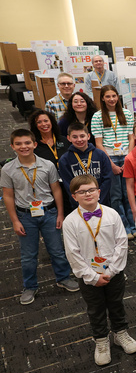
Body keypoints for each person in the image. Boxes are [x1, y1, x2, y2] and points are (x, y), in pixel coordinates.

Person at [62, 174, 136, 365]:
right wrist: (92, 276)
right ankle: (101, 340)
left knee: (116, 304)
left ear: (99, 192)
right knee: (95, 309)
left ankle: (120, 334)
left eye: (91, 190)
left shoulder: (112, 214)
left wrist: (111, 271)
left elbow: (122, 244)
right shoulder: (70, 222)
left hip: (114, 272)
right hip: (88, 277)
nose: (88, 194)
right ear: (74, 196)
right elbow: (73, 254)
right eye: (82, 192)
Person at [1, 129, 78, 304]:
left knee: (57, 250)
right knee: (28, 255)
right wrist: (14, 220)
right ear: (12, 146)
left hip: (49, 213)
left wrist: (60, 213)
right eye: (18, 144)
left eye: (27, 143)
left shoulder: (48, 165)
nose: (23, 146)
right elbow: (8, 196)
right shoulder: (8, 169)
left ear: (35, 144)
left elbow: (56, 190)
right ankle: (30, 286)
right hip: (25, 216)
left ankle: (63, 278)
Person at [91, 85, 136, 239]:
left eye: (114, 96)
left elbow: (132, 138)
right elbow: (98, 143)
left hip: (126, 156)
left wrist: (129, 159)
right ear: (103, 98)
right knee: (115, 196)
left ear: (118, 97)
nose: (111, 99)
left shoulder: (127, 114)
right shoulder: (97, 116)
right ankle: (124, 226)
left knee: (128, 193)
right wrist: (111, 165)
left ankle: (134, 224)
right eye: (108, 96)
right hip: (108, 158)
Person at [58, 122, 112, 207]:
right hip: (79, 205)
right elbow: (68, 185)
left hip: (102, 203)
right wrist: (81, 202)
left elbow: (107, 179)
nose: (79, 140)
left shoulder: (101, 155)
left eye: (82, 136)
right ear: (68, 138)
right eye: (75, 137)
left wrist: (98, 200)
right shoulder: (64, 160)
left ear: (88, 136)